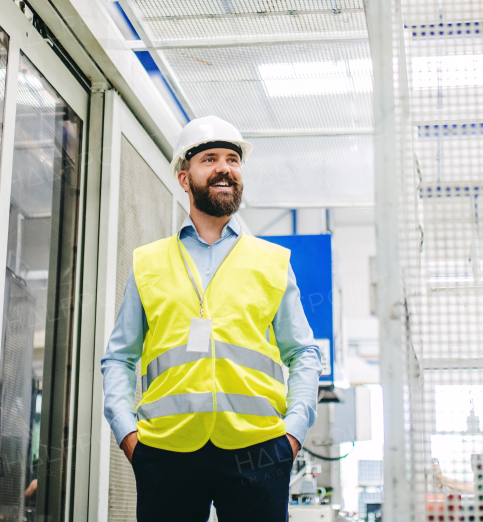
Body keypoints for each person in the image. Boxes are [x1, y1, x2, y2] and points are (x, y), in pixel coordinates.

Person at [101, 116, 321, 521]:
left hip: (259, 451)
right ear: (185, 179)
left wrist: (293, 433)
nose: (225, 167)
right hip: (165, 452)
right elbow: (119, 357)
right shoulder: (148, 262)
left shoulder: (272, 262)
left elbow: (302, 352)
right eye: (210, 158)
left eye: (233, 159)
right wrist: (127, 435)